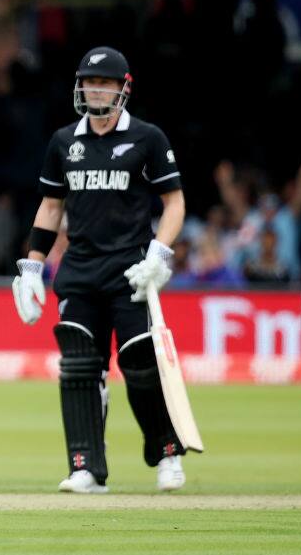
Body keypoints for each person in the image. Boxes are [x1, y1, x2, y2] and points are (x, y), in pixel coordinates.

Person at [11, 46, 189, 494]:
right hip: (80, 271)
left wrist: (160, 254)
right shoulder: (63, 142)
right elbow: (51, 207)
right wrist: (32, 268)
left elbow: (175, 203)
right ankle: (85, 466)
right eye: (90, 83)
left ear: (122, 88)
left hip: (130, 271)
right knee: (78, 366)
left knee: (140, 364)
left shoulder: (148, 138)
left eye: (105, 83)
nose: (95, 90)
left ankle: (167, 453)